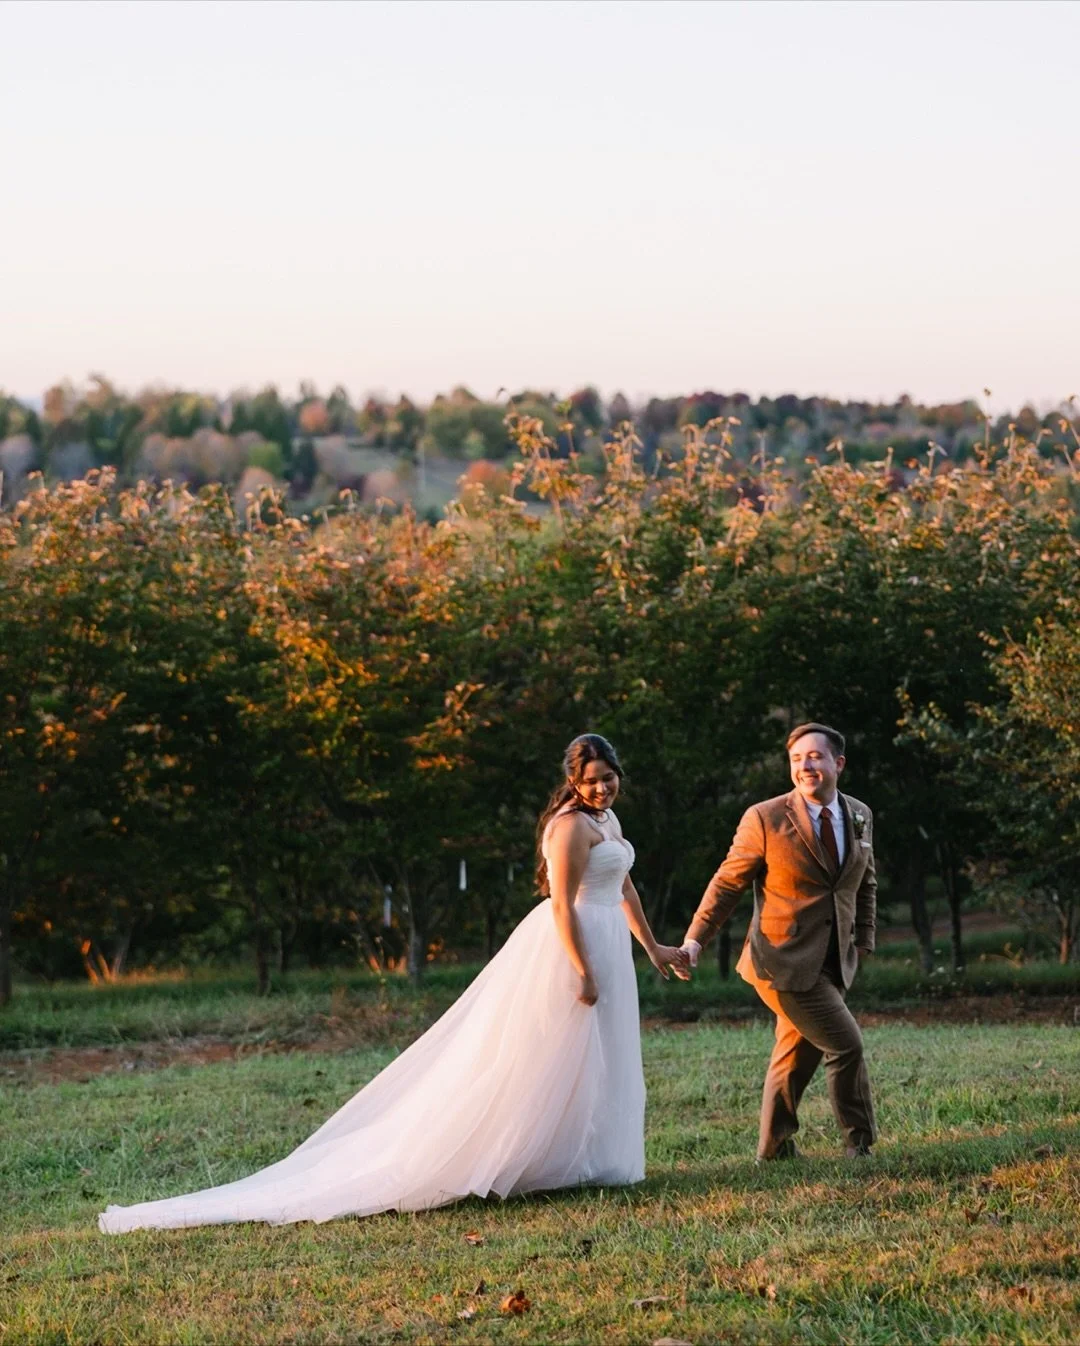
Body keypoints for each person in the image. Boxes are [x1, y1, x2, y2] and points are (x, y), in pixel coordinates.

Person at [98, 733, 687, 1232]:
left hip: (608, 940)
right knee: (544, 1056)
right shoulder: (568, 828)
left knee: (601, 1053)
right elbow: (561, 904)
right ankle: (511, 1158)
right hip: (572, 943)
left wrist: (653, 946)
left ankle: (584, 1159)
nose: (603, 788)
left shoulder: (608, 820)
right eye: (592, 780)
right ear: (573, 780)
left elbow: (623, 885)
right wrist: (582, 969)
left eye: (609, 778)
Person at [678, 723, 878, 1161]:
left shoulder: (860, 813)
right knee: (846, 1045)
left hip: (834, 958)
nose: (805, 766)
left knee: (795, 1054)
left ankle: (773, 1148)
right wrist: (695, 940)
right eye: (796, 759)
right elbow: (727, 884)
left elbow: (865, 883)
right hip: (780, 961)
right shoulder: (765, 817)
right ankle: (859, 1145)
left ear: (839, 763)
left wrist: (863, 938)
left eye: (815, 756)